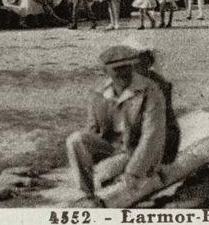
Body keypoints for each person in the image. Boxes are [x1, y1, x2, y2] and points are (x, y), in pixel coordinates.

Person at [65, 45, 167, 207]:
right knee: (75, 140)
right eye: (116, 69)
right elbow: (93, 129)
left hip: (137, 149)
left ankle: (120, 178)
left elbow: (152, 135)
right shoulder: (98, 93)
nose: (123, 73)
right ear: (106, 71)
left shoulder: (149, 90)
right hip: (113, 148)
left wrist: (133, 172)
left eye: (126, 67)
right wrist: (94, 162)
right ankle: (87, 195)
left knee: (115, 175)